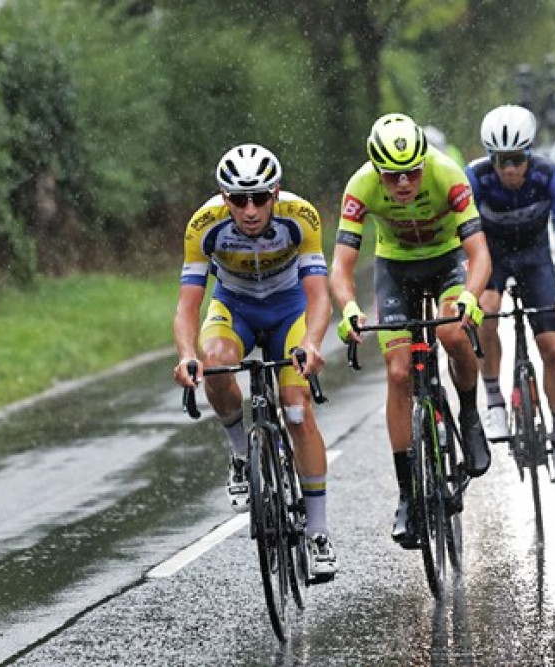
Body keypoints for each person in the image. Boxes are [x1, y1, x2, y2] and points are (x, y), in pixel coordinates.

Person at [171, 143, 337, 578]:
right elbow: (188, 306)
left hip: (290, 309)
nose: (249, 209)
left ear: (276, 193)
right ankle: (242, 454)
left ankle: (318, 533)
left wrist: (314, 342)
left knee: (297, 408)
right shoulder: (203, 226)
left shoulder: (301, 218)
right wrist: (187, 355)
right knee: (216, 360)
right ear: (223, 197)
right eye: (238, 199)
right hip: (236, 309)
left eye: (260, 198)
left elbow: (319, 295)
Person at [330, 112, 492, 547]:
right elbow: (342, 265)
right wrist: (347, 308)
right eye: (393, 176)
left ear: (425, 162)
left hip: (447, 260)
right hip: (395, 268)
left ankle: (470, 415)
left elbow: (479, 253)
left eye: (412, 173)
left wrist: (471, 297)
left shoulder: (448, 173)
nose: (404, 184)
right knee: (399, 372)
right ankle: (407, 495)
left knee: (453, 333)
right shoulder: (360, 185)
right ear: (377, 171)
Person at [465, 104, 555, 488]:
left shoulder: (550, 175)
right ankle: (495, 398)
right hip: (492, 257)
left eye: (516, 160)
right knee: (486, 308)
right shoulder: (475, 178)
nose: (509, 170)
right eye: (501, 161)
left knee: (551, 347)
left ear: (529, 154)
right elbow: (463, 240)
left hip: (535, 258)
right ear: (490, 158)